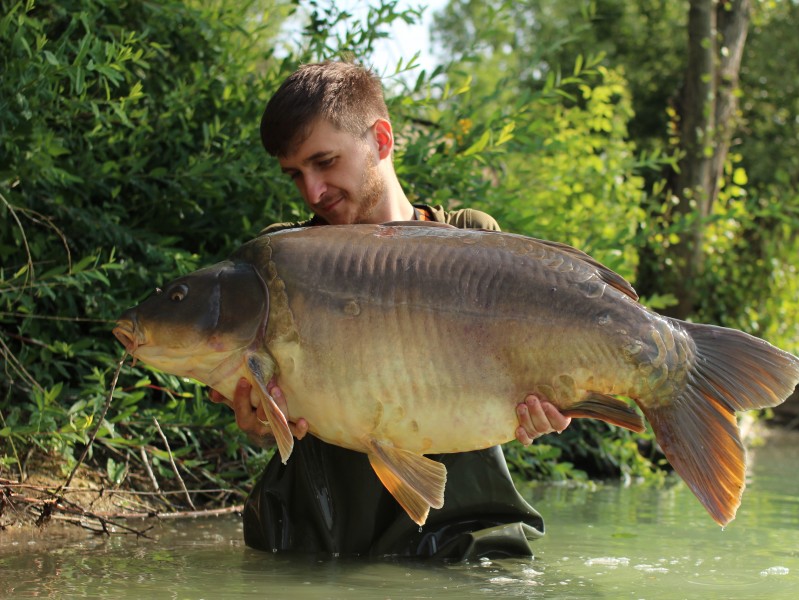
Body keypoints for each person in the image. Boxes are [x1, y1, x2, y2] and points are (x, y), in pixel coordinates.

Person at [211, 60, 571, 560]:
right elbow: (261, 411)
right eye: (295, 175)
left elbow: (531, 378)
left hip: (463, 537)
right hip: (312, 541)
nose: (312, 191)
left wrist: (544, 413)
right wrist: (258, 427)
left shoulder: (472, 240)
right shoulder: (281, 261)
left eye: (325, 162)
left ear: (381, 140)